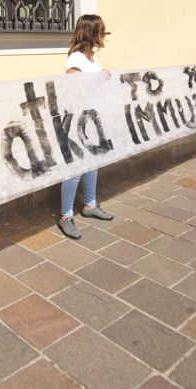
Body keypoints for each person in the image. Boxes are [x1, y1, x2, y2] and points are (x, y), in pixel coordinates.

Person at [57, 14, 114, 239]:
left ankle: (90, 205)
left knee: (92, 164)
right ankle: (66, 216)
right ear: (91, 32)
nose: (103, 34)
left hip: (92, 118)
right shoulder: (75, 60)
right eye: (100, 30)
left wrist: (103, 77)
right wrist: (99, 78)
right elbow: (74, 92)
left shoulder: (91, 60)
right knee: (74, 170)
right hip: (77, 121)